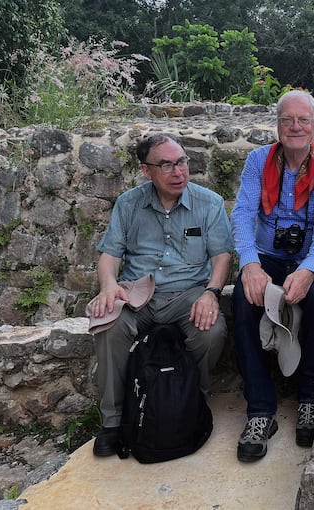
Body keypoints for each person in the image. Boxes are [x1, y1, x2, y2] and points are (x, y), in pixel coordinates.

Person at [89, 134, 233, 457]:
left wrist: (211, 293)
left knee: (212, 330)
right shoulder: (129, 203)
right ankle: (112, 422)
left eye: (181, 161)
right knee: (109, 325)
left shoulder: (208, 203)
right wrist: (109, 286)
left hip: (187, 294)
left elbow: (222, 257)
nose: (178, 171)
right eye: (166, 164)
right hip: (139, 293)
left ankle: (188, 402)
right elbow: (110, 255)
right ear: (146, 171)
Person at [230, 90, 314, 462]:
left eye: (303, 120)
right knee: (242, 299)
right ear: (276, 123)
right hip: (267, 256)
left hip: (312, 256)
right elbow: (243, 214)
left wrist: (310, 269)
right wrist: (249, 264)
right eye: (287, 120)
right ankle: (261, 409)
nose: (295, 127)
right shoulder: (257, 160)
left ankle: (312, 396)